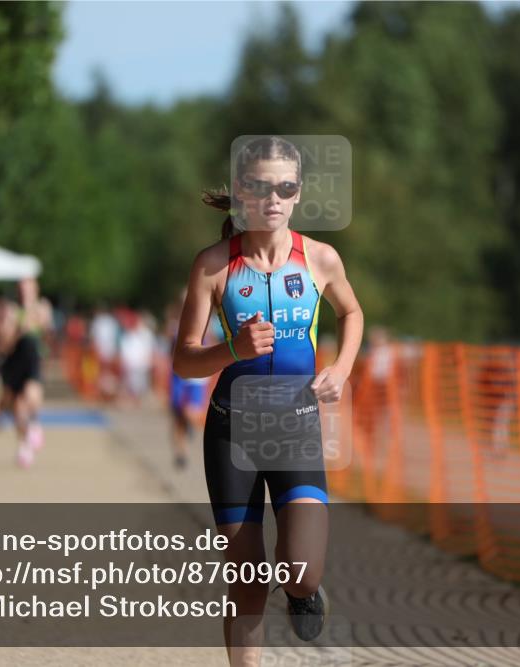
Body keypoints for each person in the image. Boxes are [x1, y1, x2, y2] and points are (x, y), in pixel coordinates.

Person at [173, 136, 363, 665]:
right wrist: (231, 349)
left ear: (298, 194)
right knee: (249, 578)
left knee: (300, 568)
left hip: (297, 426)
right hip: (233, 431)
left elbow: (353, 313)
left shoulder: (320, 258)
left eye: (286, 186)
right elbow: (184, 360)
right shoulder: (213, 266)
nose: (273, 198)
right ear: (240, 192)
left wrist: (341, 369)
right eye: (260, 187)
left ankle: (304, 594)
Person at [0, 280, 52, 468]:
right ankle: (23, 445)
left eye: (28, 288)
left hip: (32, 361)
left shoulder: (42, 308)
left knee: (31, 395)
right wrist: (18, 328)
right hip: (15, 362)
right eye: (21, 289)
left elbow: (46, 330)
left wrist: (34, 319)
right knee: (18, 409)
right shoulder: (11, 311)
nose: (24, 292)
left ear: (35, 289)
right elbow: (4, 343)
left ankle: (35, 425)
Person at [165, 289, 210, 469]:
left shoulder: (205, 320)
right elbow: (171, 353)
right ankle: (180, 453)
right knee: (177, 416)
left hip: (196, 378)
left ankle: (190, 427)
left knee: (190, 413)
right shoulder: (174, 326)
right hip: (179, 376)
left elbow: (210, 345)